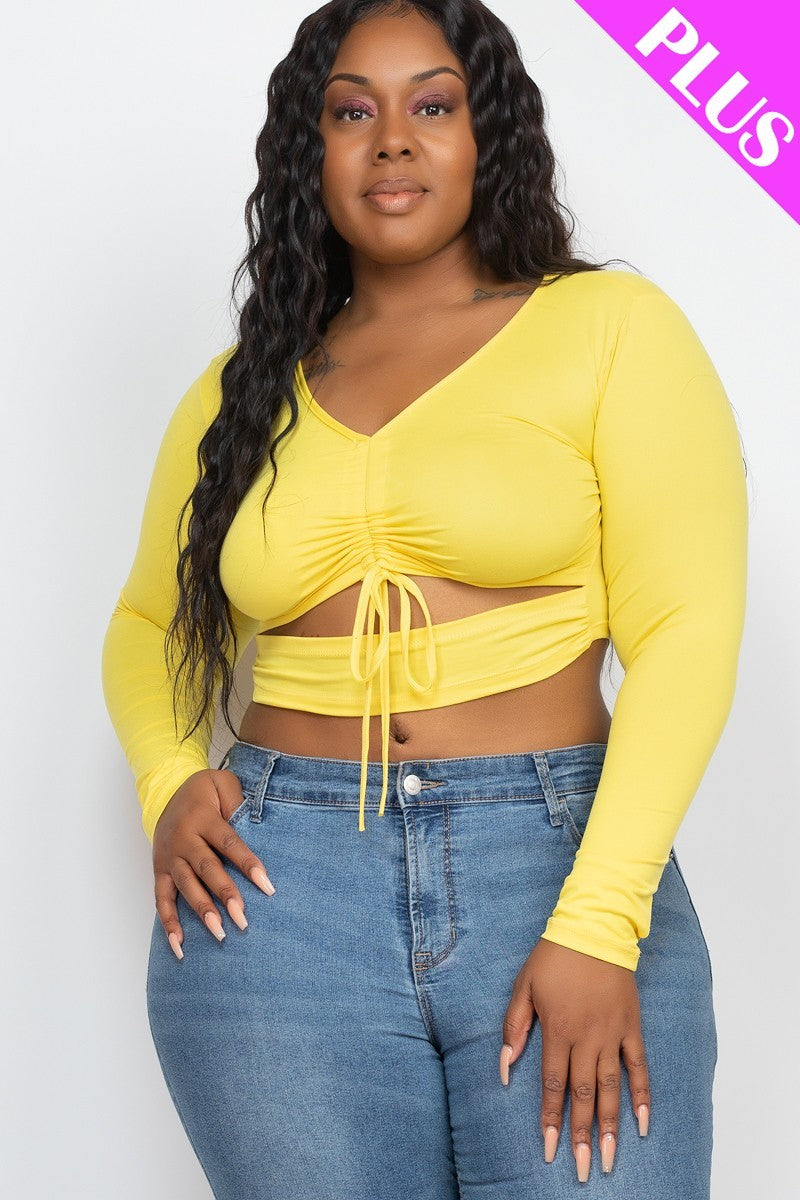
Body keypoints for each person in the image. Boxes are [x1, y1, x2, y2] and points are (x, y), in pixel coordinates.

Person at [100, 1, 748, 1196]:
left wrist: (598, 919)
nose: (392, 139)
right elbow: (147, 624)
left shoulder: (609, 329)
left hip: (554, 859)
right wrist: (166, 779)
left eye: (432, 104)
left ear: (484, 133)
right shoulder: (239, 391)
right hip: (275, 898)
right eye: (351, 111)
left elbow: (684, 631)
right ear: (309, 151)